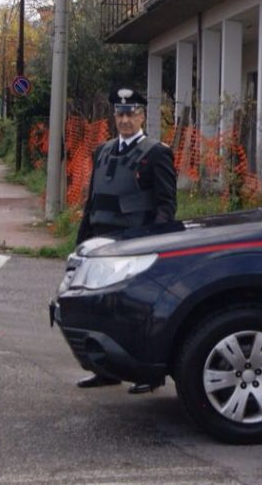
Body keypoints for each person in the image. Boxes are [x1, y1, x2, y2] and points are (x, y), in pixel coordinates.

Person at [74, 87, 178, 392]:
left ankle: (149, 376)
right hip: (102, 245)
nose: (124, 119)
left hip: (136, 246)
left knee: (137, 314)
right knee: (100, 310)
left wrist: (153, 243)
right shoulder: (103, 151)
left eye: (131, 113)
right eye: (120, 114)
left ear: (142, 116)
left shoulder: (156, 153)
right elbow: (93, 202)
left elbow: (166, 206)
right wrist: (81, 243)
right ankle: (104, 369)